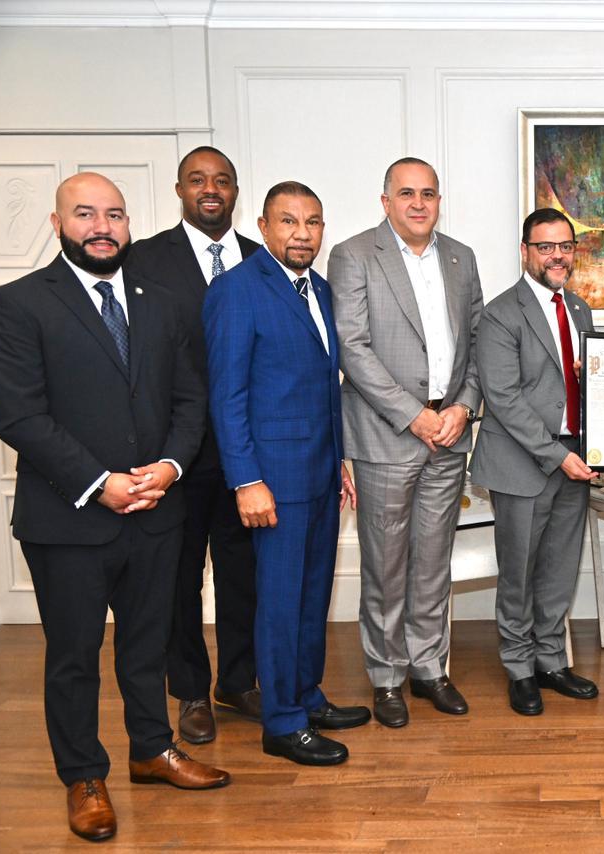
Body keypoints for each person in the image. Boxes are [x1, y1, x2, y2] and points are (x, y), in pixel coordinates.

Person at [0, 172, 229, 843]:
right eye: (85, 214)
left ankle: (152, 750)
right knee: (74, 655)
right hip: (70, 519)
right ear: (57, 223)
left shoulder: (162, 301)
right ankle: (84, 777)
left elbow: (189, 399)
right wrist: (101, 482)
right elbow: (21, 418)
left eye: (114, 215)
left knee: (148, 645)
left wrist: (172, 467)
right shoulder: (17, 305)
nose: (102, 227)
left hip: (156, 509)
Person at [204, 181, 364, 767]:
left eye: (313, 223)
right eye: (289, 222)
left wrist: (341, 458)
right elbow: (227, 396)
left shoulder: (318, 289)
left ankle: (306, 694)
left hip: (320, 473)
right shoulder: (237, 291)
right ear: (265, 227)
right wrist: (246, 480)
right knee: (278, 599)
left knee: (312, 593)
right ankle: (282, 721)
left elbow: (326, 387)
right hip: (272, 480)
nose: (303, 234)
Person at [328, 158, 482, 728]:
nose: (419, 204)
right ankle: (387, 675)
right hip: (387, 434)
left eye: (429, 194)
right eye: (407, 193)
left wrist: (463, 407)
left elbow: (476, 339)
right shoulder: (353, 254)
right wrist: (413, 415)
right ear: (386, 200)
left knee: (431, 562)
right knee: (387, 563)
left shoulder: (461, 257)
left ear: (440, 201)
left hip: (449, 434)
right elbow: (353, 347)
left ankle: (428, 667)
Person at [126, 146, 262, 744]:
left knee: (244, 575)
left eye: (223, 181)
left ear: (236, 192)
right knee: (178, 580)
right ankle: (189, 692)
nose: (212, 189)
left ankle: (238, 681)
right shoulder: (144, 261)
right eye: (198, 180)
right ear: (180, 189)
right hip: (173, 455)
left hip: (247, 455)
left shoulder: (262, 261)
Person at [469, 208, 604, 716]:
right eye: (545, 246)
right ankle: (518, 667)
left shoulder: (577, 308)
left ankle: (552, 660)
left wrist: (602, 441)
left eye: (565, 246)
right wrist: (558, 456)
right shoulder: (501, 313)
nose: (557, 255)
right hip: (522, 464)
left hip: (574, 459)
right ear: (525, 251)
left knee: (557, 569)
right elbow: (503, 398)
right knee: (519, 572)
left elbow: (582, 388)